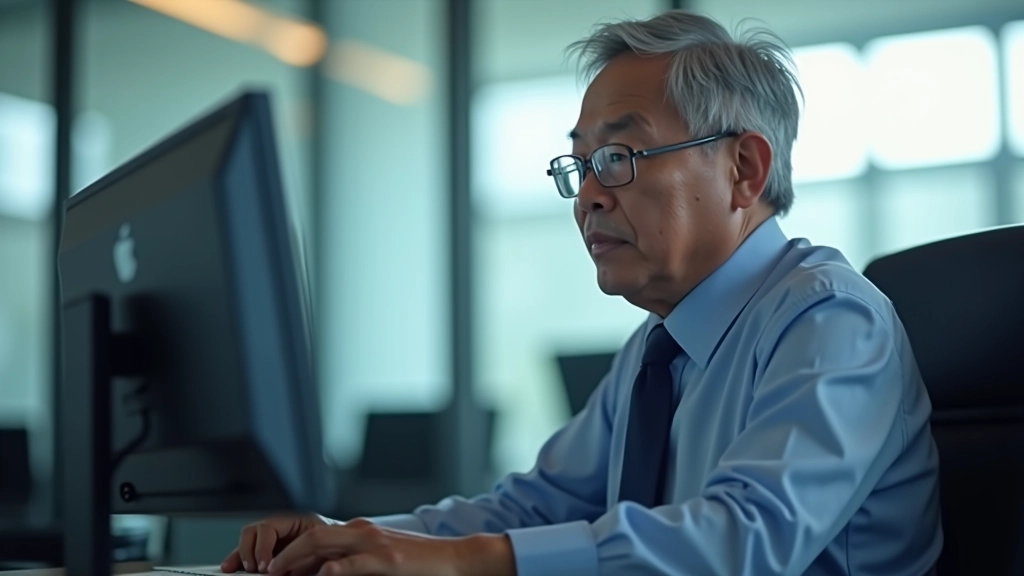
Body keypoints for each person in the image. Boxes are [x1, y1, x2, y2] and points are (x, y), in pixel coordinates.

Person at [221, 9, 942, 576]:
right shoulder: (654, 352)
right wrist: (352, 539)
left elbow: (742, 540)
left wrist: (457, 563)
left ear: (744, 170)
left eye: (618, 158)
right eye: (579, 164)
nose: (588, 197)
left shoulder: (830, 319)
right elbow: (533, 507)